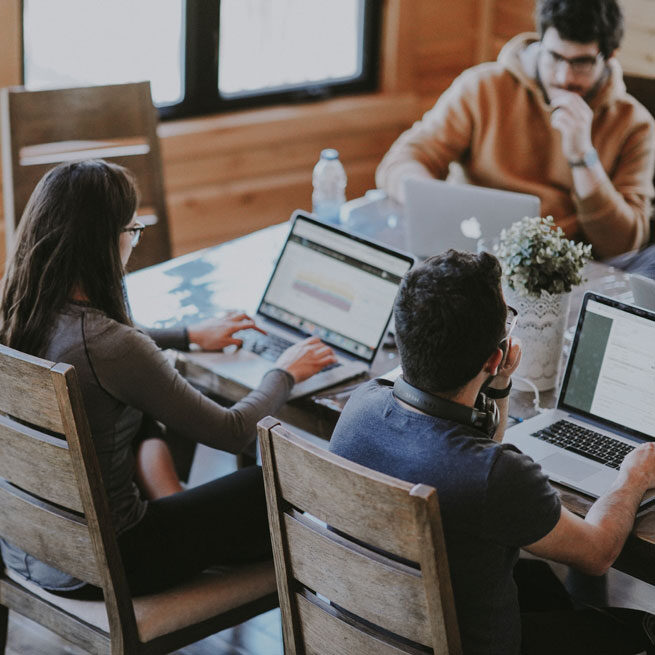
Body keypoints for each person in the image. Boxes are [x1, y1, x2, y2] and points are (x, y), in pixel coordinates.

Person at [0, 159, 336, 597]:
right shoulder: (112, 346)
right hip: (112, 561)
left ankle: (170, 495)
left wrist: (188, 335)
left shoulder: (18, 309)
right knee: (266, 484)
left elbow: (103, 349)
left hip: (26, 545)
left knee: (142, 407)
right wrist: (285, 371)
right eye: (132, 230)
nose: (134, 241)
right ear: (104, 241)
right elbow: (232, 432)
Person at [329, 250, 655, 654]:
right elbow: (598, 553)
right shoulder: (495, 476)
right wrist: (634, 476)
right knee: (642, 627)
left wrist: (497, 386)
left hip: (371, 631)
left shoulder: (359, 406)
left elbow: (476, 460)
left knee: (541, 585)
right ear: (494, 356)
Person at [376, 0, 655, 272]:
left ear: (609, 57)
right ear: (540, 41)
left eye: (581, 63)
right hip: (472, 255)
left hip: (565, 274)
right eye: (554, 57)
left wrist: (583, 157)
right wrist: (433, 202)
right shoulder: (482, 88)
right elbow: (401, 161)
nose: (563, 76)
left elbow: (624, 245)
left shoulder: (634, 124)